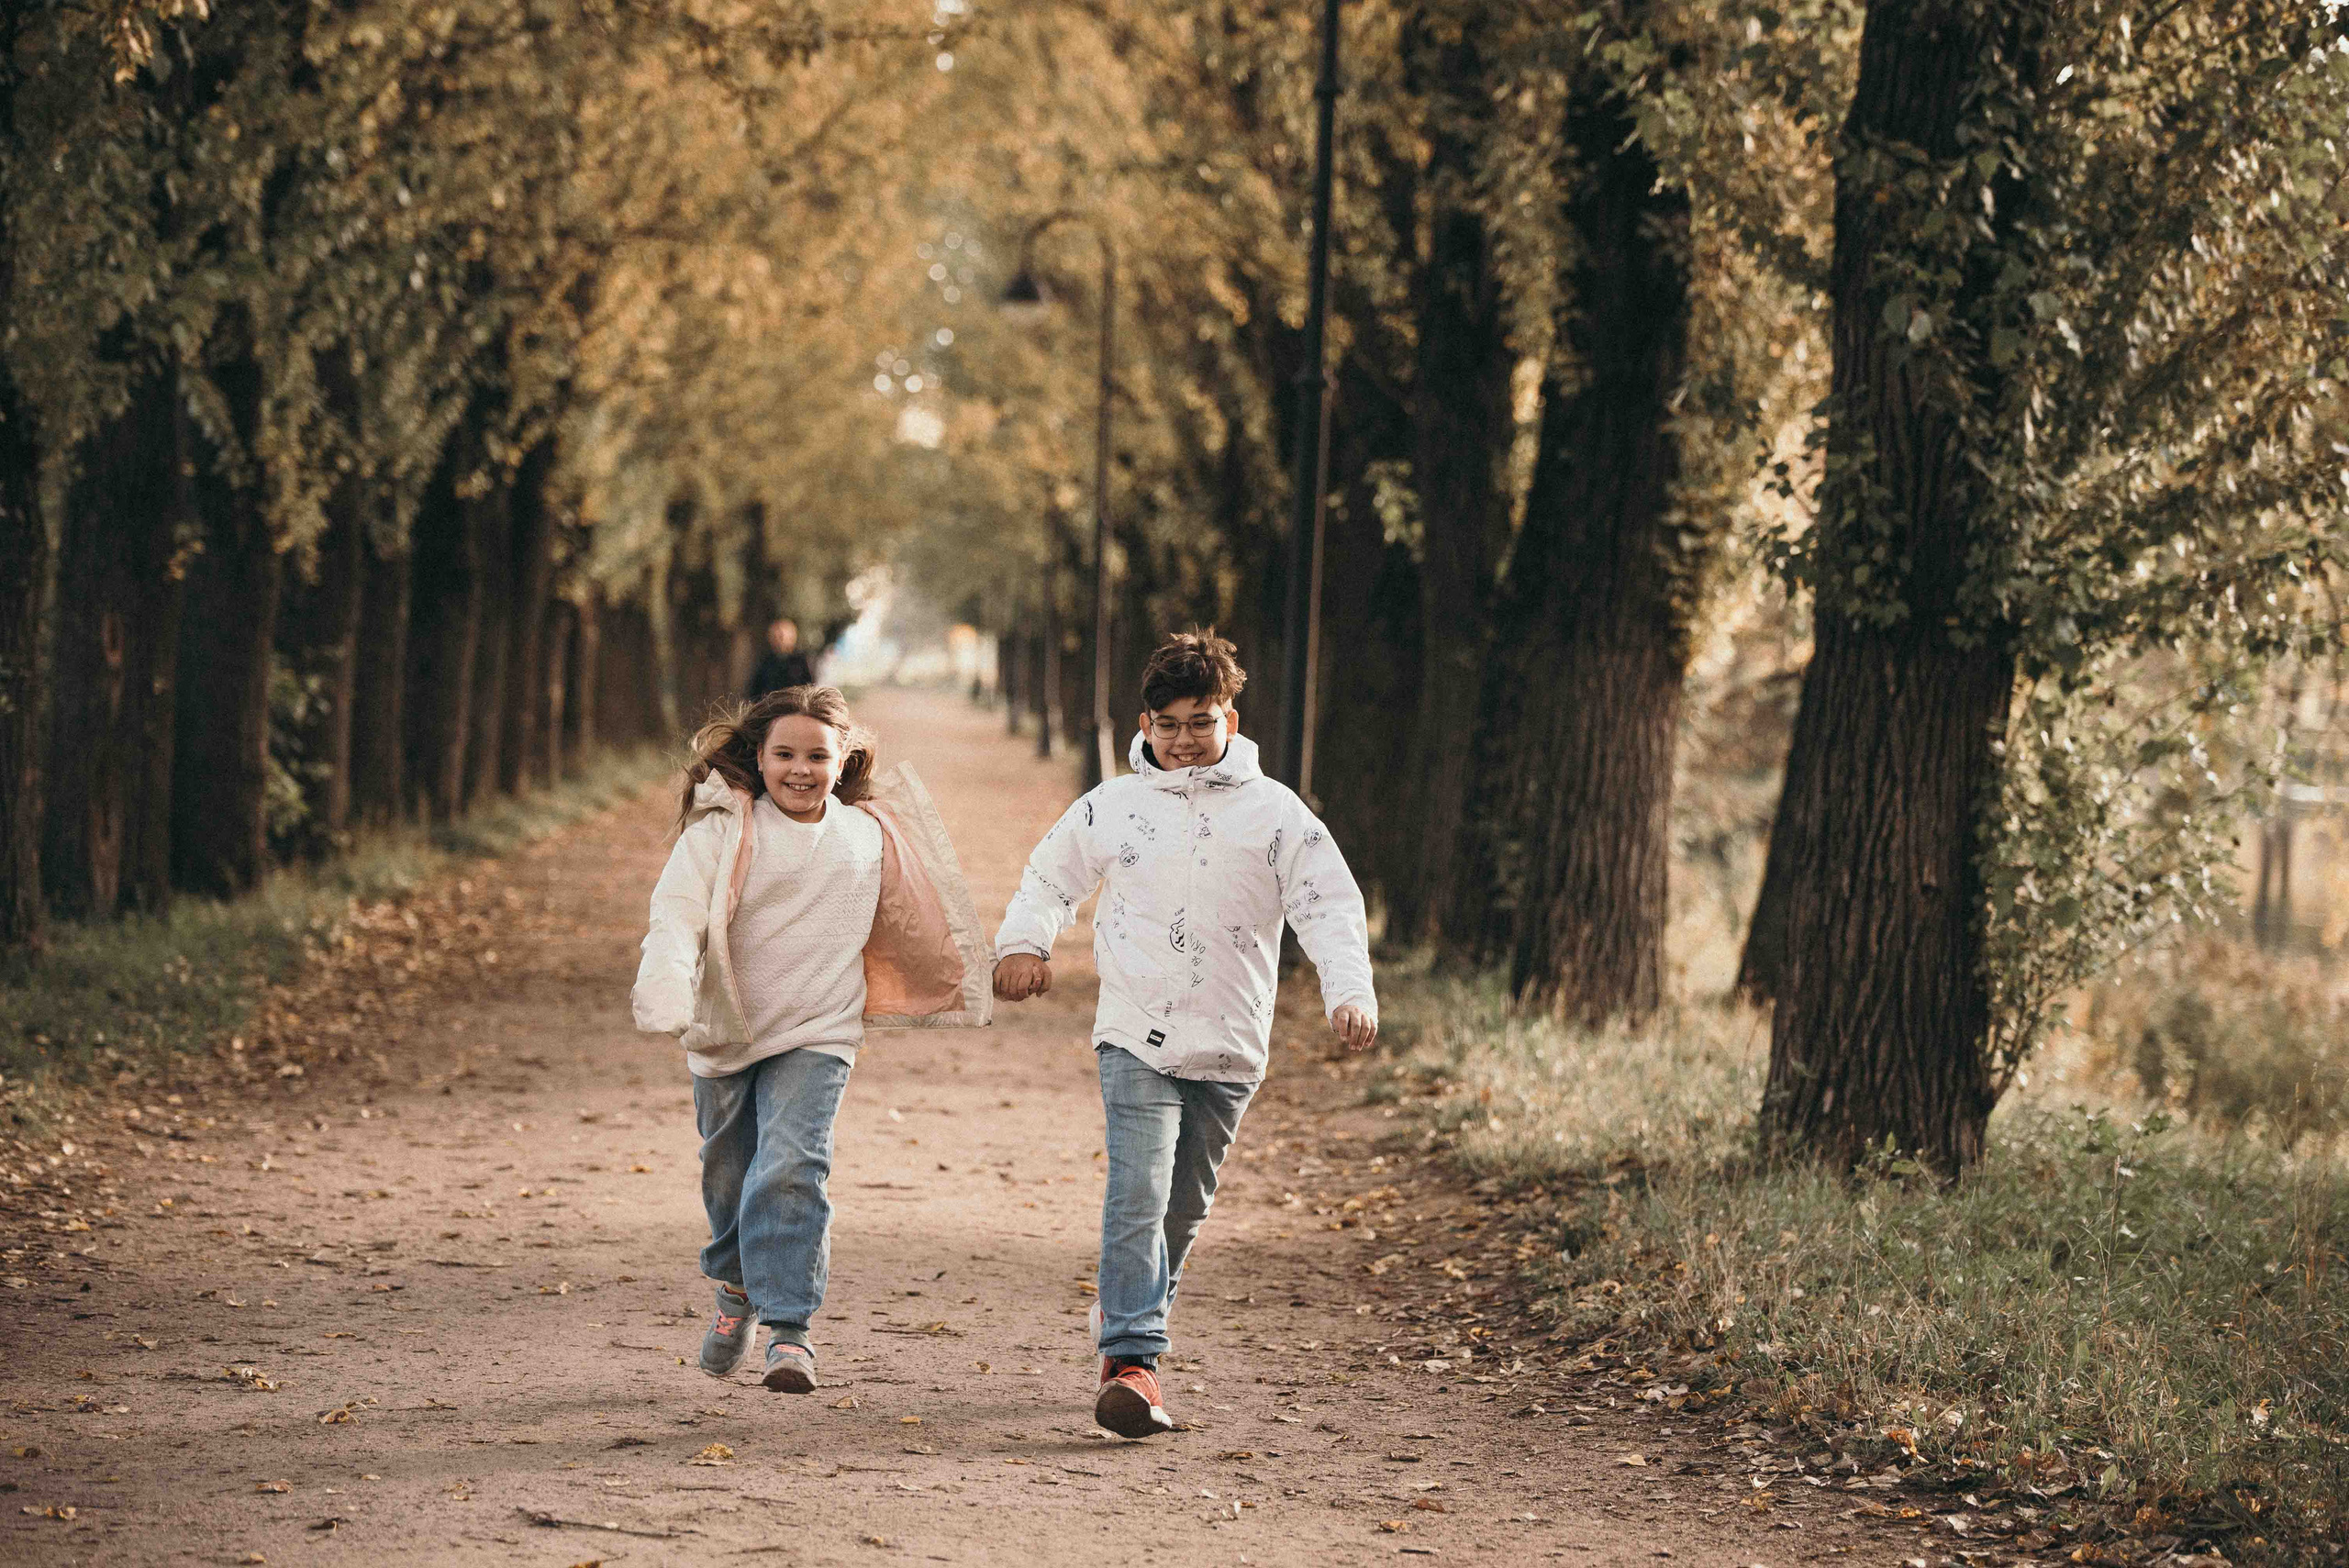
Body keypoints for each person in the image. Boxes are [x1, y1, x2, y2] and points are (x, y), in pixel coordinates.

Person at [992, 629, 1377, 1438]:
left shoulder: (1276, 814)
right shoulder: (1114, 805)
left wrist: (1349, 990)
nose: (1183, 739)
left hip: (1232, 1039)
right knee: (1138, 1186)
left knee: (1183, 1206)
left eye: (1200, 721)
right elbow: (1050, 874)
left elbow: (1328, 905)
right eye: (1167, 724)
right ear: (1145, 722)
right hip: (1134, 1029)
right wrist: (1023, 942)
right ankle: (1135, 1362)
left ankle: (1126, 1308)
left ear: (1229, 718)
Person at [632, 685, 990, 1392]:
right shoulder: (722, 830)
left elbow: (917, 910)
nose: (801, 769)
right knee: (730, 1175)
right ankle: (736, 1288)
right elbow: (676, 916)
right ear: (758, 758)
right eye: (785, 754)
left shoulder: (866, 835)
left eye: (818, 755)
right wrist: (667, 987)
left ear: (844, 756)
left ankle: (790, 1330)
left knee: (793, 1166)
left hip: (821, 1028)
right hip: (727, 1033)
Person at [745, 617, 815, 699]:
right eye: (776, 636)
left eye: (782, 636)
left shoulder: (801, 661)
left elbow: (808, 687)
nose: (780, 640)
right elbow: (755, 690)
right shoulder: (765, 662)